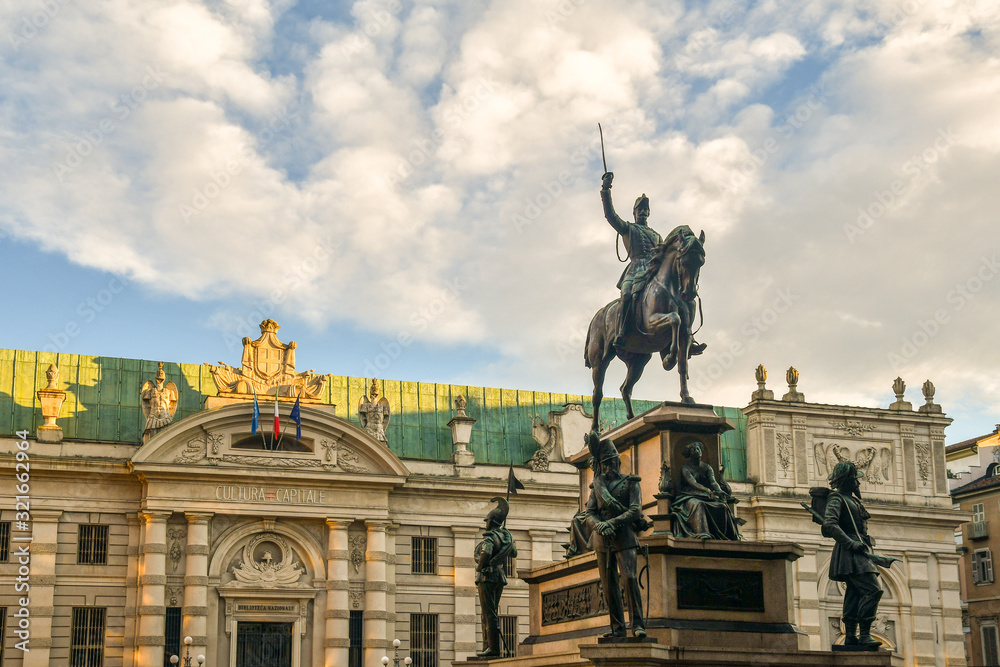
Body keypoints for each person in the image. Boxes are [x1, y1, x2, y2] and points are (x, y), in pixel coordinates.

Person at [600, 171, 706, 356]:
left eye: (645, 209)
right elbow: (610, 215)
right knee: (626, 294)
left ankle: (687, 338)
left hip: (653, 271)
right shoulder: (628, 228)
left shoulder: (657, 235)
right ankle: (622, 332)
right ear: (634, 212)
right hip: (634, 271)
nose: (643, 212)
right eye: (639, 209)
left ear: (649, 212)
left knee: (681, 299)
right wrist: (606, 189)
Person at [584, 431, 650, 639]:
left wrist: (611, 522)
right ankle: (617, 628)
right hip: (602, 539)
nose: (609, 467)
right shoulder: (597, 486)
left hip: (624, 536)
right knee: (609, 585)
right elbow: (590, 513)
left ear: (617, 461)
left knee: (630, 579)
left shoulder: (631, 482)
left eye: (611, 462)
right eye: (605, 463)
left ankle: (637, 625)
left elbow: (635, 511)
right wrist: (599, 526)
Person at [822, 461, 883, 649]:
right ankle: (864, 635)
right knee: (873, 590)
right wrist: (850, 543)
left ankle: (850, 636)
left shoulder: (853, 500)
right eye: (855, 479)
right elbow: (829, 525)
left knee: (854, 593)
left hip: (860, 549)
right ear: (848, 480)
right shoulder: (837, 499)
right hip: (850, 551)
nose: (858, 482)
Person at [670, 441, 741, 541]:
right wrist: (707, 490)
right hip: (688, 496)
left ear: (701, 451)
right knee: (698, 505)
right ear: (690, 454)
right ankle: (702, 533)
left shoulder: (707, 467)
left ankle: (729, 535)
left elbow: (713, 482)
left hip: (704, 495)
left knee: (722, 506)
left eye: (698, 449)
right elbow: (692, 483)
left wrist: (719, 491)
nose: (696, 451)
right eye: (693, 450)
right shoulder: (685, 468)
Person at [475, 497, 517, 657]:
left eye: (487, 520)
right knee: (491, 613)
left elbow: (486, 552)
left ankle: (492, 648)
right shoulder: (505, 537)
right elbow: (514, 552)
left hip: (487, 577)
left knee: (488, 613)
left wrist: (480, 567)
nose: (485, 523)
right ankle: (490, 646)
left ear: (491, 521)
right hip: (499, 576)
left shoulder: (490, 537)